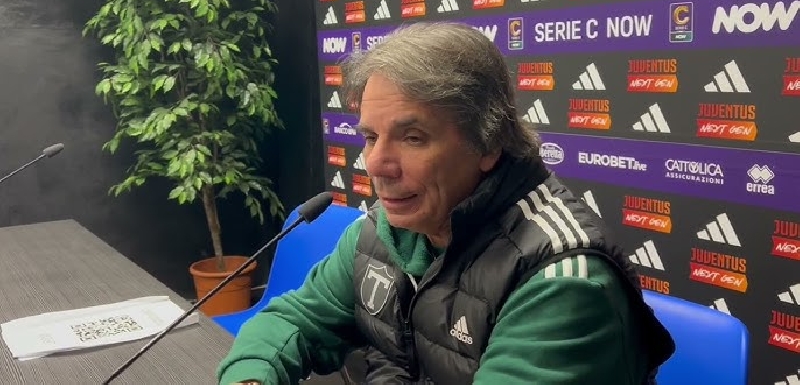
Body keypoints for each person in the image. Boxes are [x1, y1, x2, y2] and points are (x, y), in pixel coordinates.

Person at [216, 22, 675, 385]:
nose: (376, 164)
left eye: (413, 137)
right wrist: (251, 377)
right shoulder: (380, 230)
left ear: (488, 143)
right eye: (371, 137)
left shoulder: (564, 282)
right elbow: (294, 320)